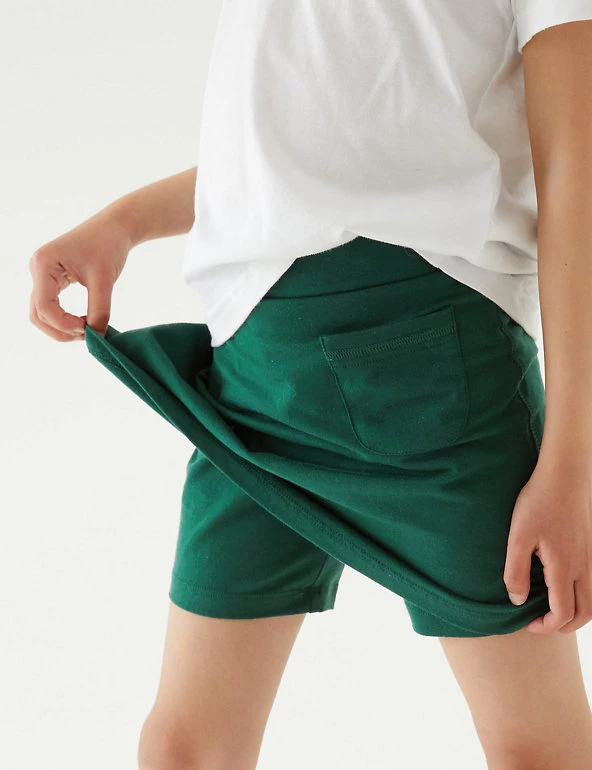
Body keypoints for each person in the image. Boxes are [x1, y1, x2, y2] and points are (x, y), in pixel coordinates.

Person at [29, 3, 592, 768]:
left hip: (428, 370)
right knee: (184, 748)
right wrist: (123, 222)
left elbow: (574, 169)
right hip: (252, 374)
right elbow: (292, 155)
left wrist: (571, 466)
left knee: (537, 750)